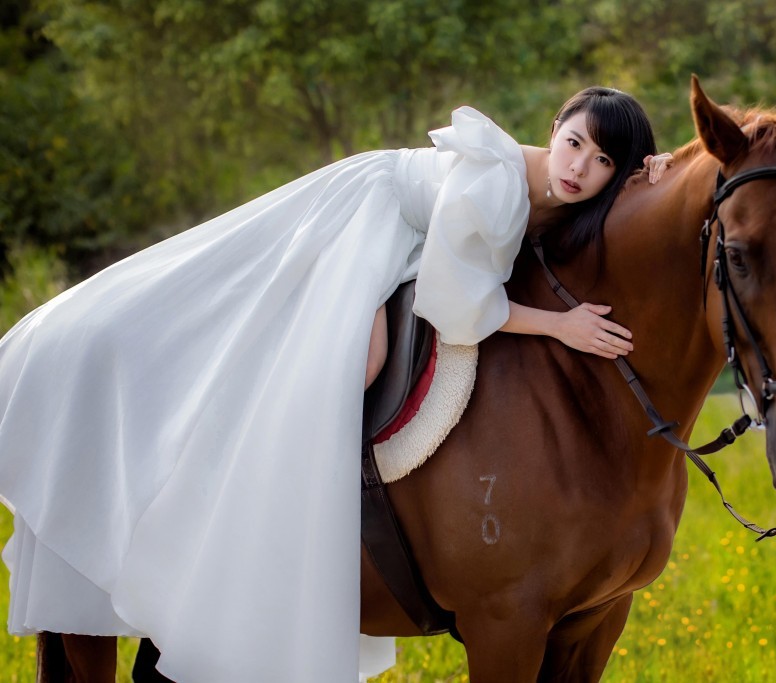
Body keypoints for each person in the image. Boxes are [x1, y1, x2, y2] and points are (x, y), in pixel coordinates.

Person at [0, 87, 668, 682]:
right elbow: (458, 304)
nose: (578, 167)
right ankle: (281, 474)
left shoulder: (573, 192)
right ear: (554, 128)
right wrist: (559, 326)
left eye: (601, 160)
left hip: (417, 238)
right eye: (573, 142)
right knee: (361, 352)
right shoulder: (497, 188)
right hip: (372, 218)